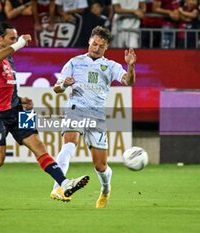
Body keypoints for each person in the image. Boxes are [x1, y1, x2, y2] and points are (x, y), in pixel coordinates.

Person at [0, 21, 89, 209]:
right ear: (0, 38)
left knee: (39, 146)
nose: (16, 41)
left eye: (16, 38)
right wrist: (19, 44)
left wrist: (22, 100)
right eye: (12, 38)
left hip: (17, 110)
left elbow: (8, 88)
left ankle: (64, 184)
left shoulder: (10, 59)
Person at [50, 26, 136, 208]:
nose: (96, 48)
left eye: (101, 46)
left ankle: (105, 190)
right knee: (69, 142)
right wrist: (64, 84)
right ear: (89, 41)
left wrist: (131, 65)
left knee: (100, 166)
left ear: (106, 48)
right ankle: (58, 187)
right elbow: (56, 88)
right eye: (94, 44)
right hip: (76, 109)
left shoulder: (111, 66)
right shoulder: (74, 62)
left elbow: (128, 81)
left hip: (96, 115)